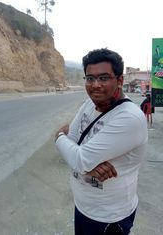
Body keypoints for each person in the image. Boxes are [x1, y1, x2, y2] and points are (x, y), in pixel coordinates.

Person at [55, 48, 148, 235]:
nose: (95, 85)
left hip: (108, 216)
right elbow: (73, 142)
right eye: (90, 78)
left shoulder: (129, 117)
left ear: (119, 81)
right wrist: (78, 155)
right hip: (83, 206)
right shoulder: (90, 103)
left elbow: (79, 158)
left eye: (104, 78)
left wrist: (58, 137)